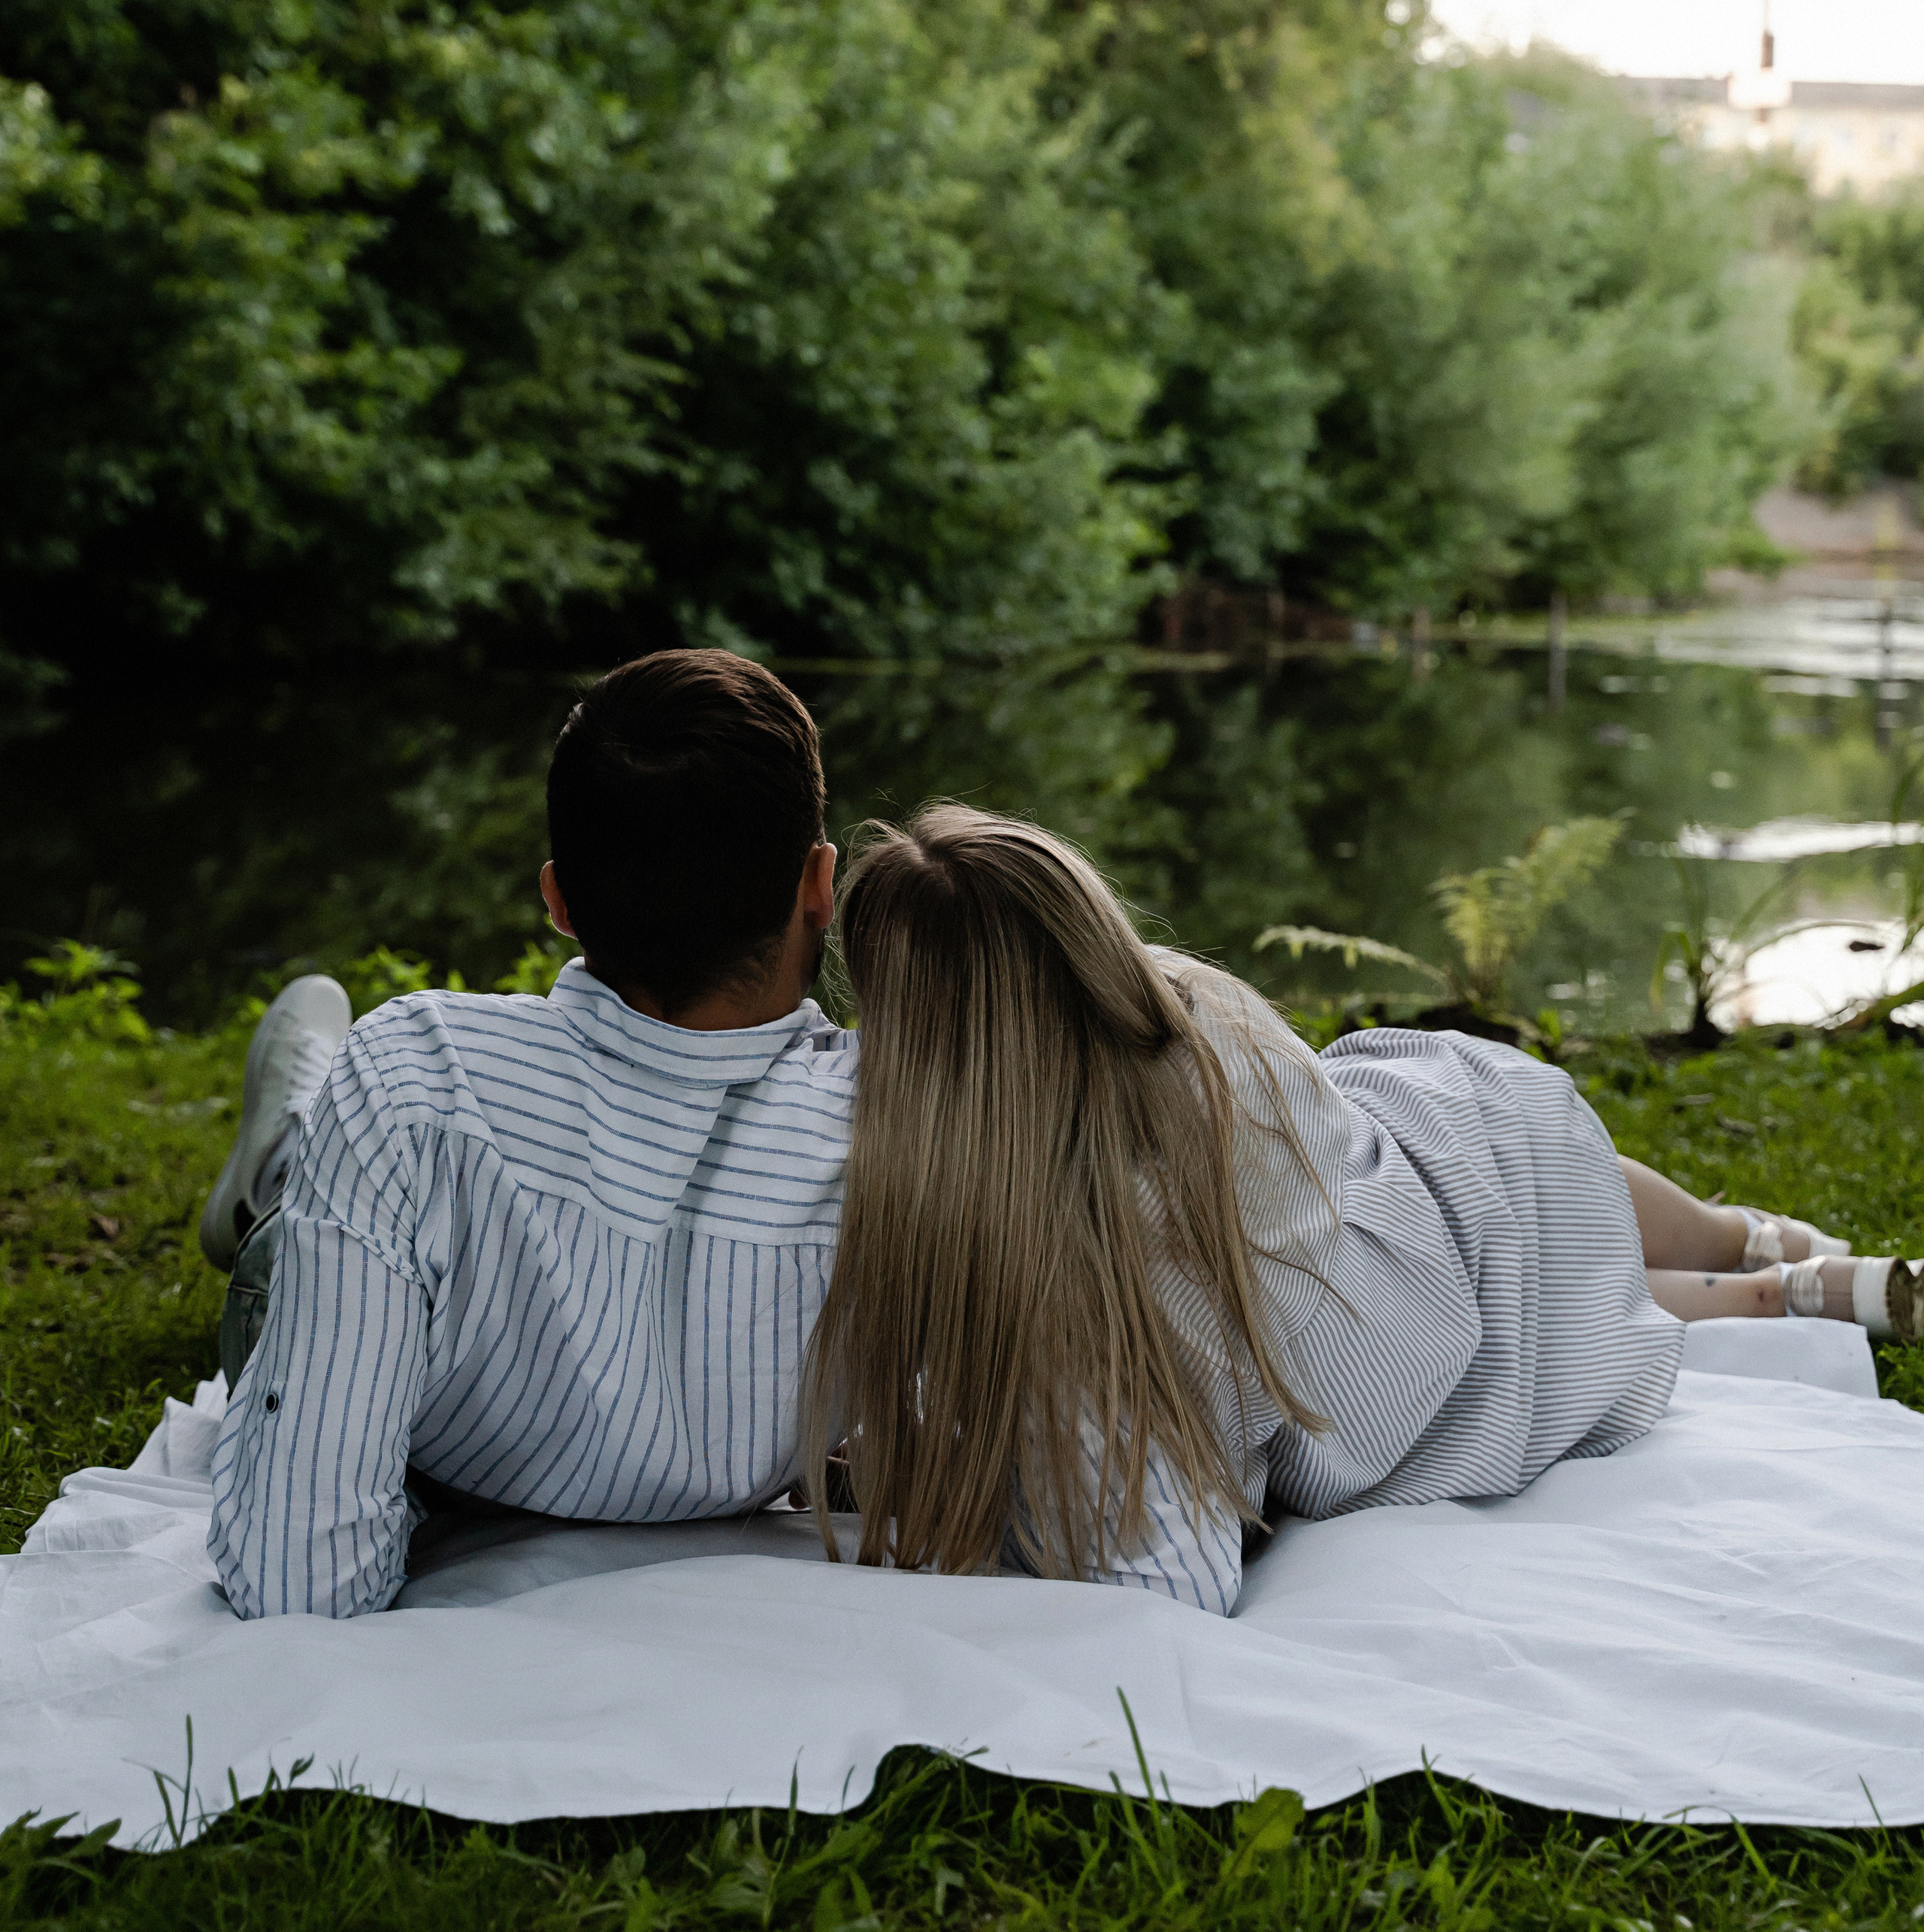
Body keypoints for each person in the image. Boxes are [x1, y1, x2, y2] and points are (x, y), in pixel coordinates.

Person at [803, 803, 1922, 1616]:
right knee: (1566, 1201)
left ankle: (1773, 1285)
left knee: (1583, 1286)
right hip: (1452, 1206)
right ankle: (1767, 1255)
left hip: (1463, 1357)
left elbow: (1168, 1520)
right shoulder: (1203, 1019)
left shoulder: (1093, 1265)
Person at [201, 650, 853, 1619]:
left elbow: (296, 1581)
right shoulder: (902, 1118)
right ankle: (285, 1153)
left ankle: (293, 1143)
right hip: (406, 1290)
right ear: (820, 886)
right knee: (320, 1226)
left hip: (445, 1422)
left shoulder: (421, 1068)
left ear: (556, 900)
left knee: (329, 1193)